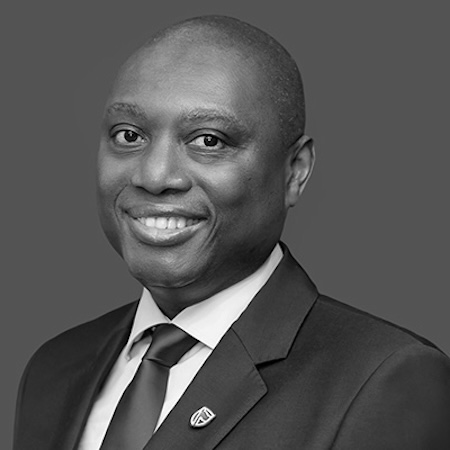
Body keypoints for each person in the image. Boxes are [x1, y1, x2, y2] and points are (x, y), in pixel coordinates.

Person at [14, 15, 450, 450]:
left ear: (295, 171)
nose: (155, 175)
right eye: (129, 135)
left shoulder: (384, 380)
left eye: (209, 140)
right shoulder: (55, 368)